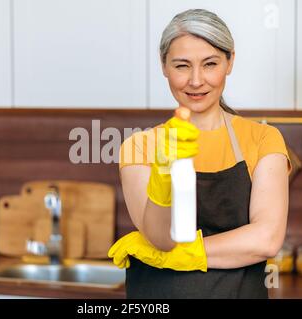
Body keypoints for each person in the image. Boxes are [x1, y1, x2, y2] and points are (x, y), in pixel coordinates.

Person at [108, 8, 291, 298]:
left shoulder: (263, 139)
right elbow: (160, 239)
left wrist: (187, 254)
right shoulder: (140, 146)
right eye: (182, 66)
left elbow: (266, 239)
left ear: (230, 61)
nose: (196, 80)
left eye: (210, 64)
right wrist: (163, 175)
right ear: (163, 65)